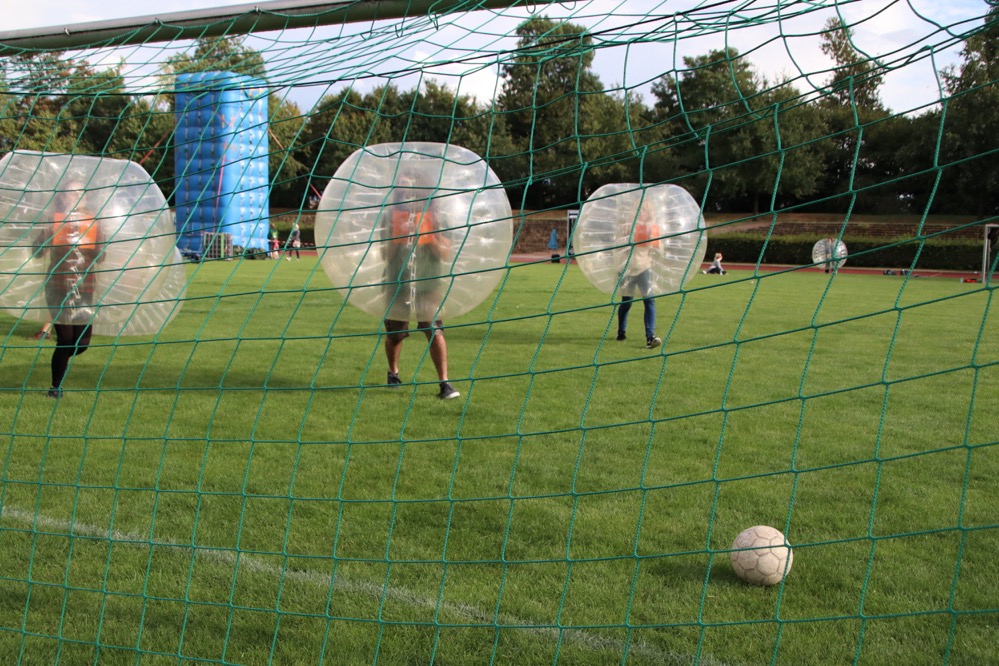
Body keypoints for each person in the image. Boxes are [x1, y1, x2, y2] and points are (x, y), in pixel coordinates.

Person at [380, 169, 460, 400]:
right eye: (405, 188)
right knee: (395, 333)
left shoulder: (436, 216)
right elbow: (384, 253)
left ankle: (444, 383)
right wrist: (398, 237)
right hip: (397, 281)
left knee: (433, 328)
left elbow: (445, 253)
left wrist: (428, 235)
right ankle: (393, 372)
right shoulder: (390, 216)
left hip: (428, 281)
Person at [33, 181, 104, 398]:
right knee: (64, 340)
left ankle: (62, 357)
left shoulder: (93, 221)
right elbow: (36, 251)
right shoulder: (53, 220)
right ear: (62, 197)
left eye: (78, 192)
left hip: (86, 287)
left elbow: (101, 256)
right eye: (70, 193)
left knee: (81, 343)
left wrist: (93, 243)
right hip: (58, 286)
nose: (74, 196)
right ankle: (55, 387)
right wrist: (50, 234)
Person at [616, 200, 662, 350]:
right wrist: (629, 237)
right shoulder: (627, 227)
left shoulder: (653, 228)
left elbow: (659, 250)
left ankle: (650, 337)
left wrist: (653, 240)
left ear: (648, 212)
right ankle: (621, 331)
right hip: (627, 268)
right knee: (627, 302)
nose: (641, 212)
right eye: (639, 209)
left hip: (644, 267)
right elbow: (618, 246)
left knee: (649, 300)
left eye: (644, 209)